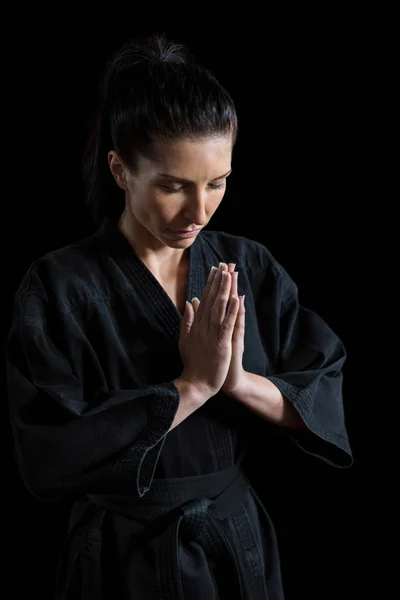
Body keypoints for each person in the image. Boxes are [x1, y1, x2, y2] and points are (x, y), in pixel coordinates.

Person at [6, 33, 353, 600]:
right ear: (120, 170)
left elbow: (322, 400)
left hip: (235, 548)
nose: (199, 211)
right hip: (122, 560)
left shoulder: (250, 265)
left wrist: (237, 382)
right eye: (173, 187)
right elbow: (47, 457)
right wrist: (189, 388)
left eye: (217, 183)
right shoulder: (59, 287)